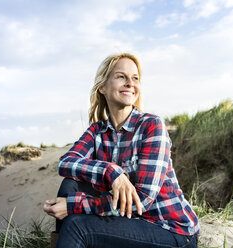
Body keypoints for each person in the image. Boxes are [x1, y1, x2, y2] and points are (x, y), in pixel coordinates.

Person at [43, 53, 199, 248]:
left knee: (78, 226)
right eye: (121, 76)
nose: (129, 83)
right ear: (102, 87)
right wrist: (111, 171)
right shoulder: (97, 131)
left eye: (135, 78)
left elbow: (142, 201)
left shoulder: (151, 126)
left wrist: (74, 206)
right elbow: (66, 163)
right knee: (70, 184)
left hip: (171, 230)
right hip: (131, 224)